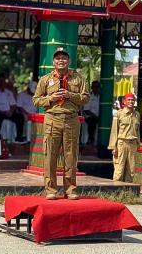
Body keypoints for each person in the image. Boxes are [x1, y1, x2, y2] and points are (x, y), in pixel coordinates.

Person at [33, 47, 89, 200]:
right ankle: (51, 189)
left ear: (68, 61)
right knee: (50, 155)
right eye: (58, 58)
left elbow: (85, 98)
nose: (61, 60)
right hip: (52, 118)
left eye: (64, 58)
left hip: (71, 118)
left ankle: (70, 189)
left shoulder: (78, 78)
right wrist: (51, 98)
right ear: (53, 61)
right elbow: (36, 100)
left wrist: (69, 95)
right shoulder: (45, 79)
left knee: (71, 155)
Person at [108, 93, 140, 183]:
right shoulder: (119, 114)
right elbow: (114, 131)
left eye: (132, 100)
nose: (131, 102)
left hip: (133, 144)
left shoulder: (137, 114)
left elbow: (137, 131)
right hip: (122, 143)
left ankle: (127, 192)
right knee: (119, 169)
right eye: (129, 100)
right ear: (124, 102)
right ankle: (116, 192)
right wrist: (113, 147)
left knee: (131, 169)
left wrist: (138, 143)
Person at [0, 73, 25, 142]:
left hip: (9, 112)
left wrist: (11, 111)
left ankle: (18, 137)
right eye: (1, 81)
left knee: (20, 117)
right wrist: (2, 111)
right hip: (0, 113)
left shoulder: (9, 92)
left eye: (3, 81)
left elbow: (13, 104)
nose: (2, 83)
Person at [82, 80, 100, 145]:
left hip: (99, 117)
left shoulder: (101, 97)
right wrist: (96, 117)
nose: (97, 88)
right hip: (90, 117)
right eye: (95, 87)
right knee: (92, 122)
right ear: (92, 87)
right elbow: (86, 110)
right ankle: (90, 140)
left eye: (98, 87)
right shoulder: (89, 97)